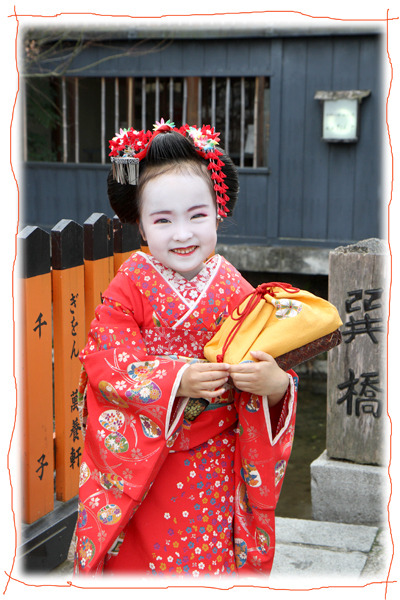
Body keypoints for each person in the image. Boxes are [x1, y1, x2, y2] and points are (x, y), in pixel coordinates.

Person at [72, 119, 298, 578]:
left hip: (215, 468)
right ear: (139, 223)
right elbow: (106, 361)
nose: (183, 234)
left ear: (219, 211)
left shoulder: (234, 286)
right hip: (147, 470)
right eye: (162, 220)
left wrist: (275, 387)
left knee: (207, 568)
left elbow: (266, 356)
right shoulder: (130, 284)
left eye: (198, 215)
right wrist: (177, 378)